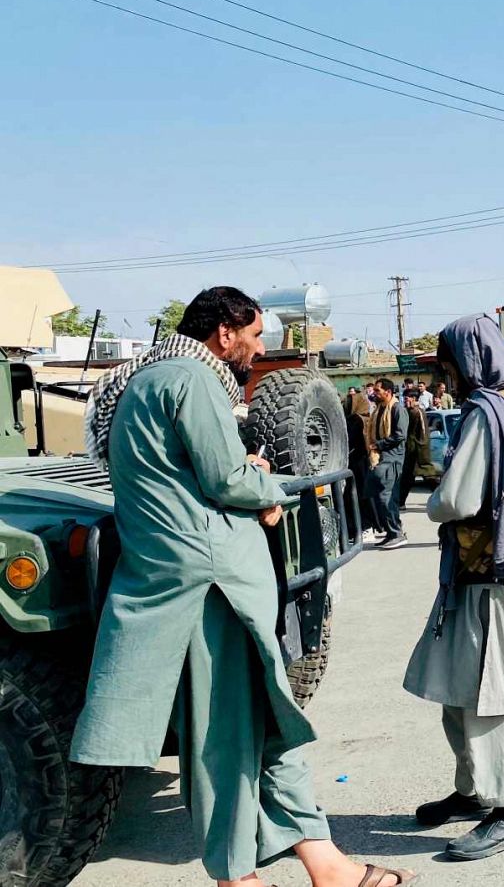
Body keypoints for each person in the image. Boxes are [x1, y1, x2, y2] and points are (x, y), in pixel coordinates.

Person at [73, 286, 414, 887]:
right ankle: (237, 877)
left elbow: (192, 472)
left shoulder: (150, 381)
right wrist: (273, 489)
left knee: (269, 727)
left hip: (193, 579)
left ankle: (325, 864)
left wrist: (248, 477)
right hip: (210, 590)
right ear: (225, 332)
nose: (257, 351)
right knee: (227, 740)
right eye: (254, 336)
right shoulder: (193, 379)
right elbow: (227, 478)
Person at [404, 314, 504, 862]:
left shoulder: (485, 414)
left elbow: (458, 500)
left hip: (495, 574)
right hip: (497, 570)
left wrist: (430, 498)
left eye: (447, 365)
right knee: (458, 686)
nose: (444, 376)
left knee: (493, 695)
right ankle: (472, 792)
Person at [371, 377, 409, 547]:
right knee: (377, 495)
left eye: (378, 390)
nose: (374, 393)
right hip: (381, 458)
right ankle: (390, 531)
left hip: (393, 458)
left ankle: (396, 533)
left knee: (387, 497)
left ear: (388, 391)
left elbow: (400, 435)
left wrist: (379, 444)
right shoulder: (379, 409)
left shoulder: (397, 409)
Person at [344, 389, 379, 537]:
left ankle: (365, 526)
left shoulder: (355, 420)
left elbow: (349, 441)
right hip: (363, 462)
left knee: (356, 497)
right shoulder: (366, 418)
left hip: (356, 463)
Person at [398, 389, 430, 510]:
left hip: (417, 451)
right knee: (406, 478)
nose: (406, 401)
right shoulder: (406, 412)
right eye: (405, 398)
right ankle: (400, 502)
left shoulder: (418, 412)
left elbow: (423, 433)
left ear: (414, 399)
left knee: (429, 477)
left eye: (408, 398)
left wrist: (422, 451)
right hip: (408, 450)